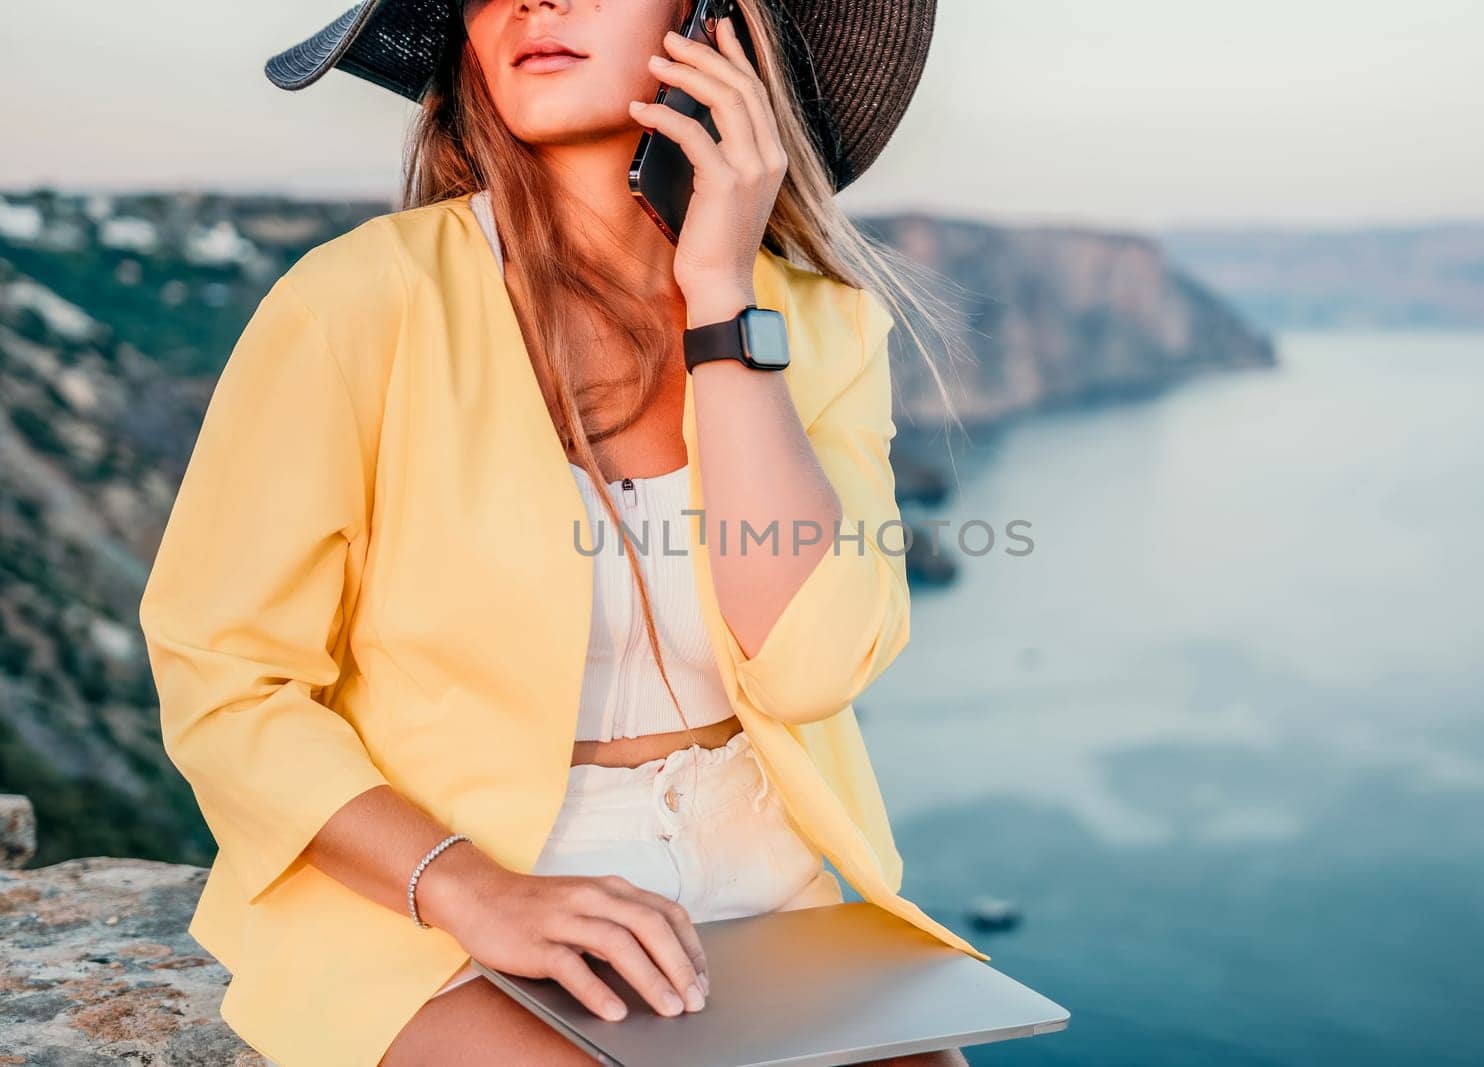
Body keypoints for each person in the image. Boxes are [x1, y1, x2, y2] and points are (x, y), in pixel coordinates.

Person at [139, 0, 982, 1064]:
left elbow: (809, 668)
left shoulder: (820, 325)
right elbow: (225, 677)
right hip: (436, 902)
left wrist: (720, 300)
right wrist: (469, 885)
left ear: (717, 26)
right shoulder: (359, 299)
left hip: (762, 888)